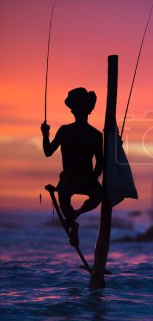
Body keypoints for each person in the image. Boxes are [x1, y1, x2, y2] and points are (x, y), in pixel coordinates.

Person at [41, 87, 104, 246]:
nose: (74, 112)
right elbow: (48, 152)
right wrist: (45, 135)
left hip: (85, 178)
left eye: (75, 109)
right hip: (68, 179)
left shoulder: (95, 135)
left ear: (83, 110)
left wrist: (92, 178)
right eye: (74, 109)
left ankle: (73, 217)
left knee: (98, 196)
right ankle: (73, 222)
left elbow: (100, 161)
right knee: (65, 199)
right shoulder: (66, 131)